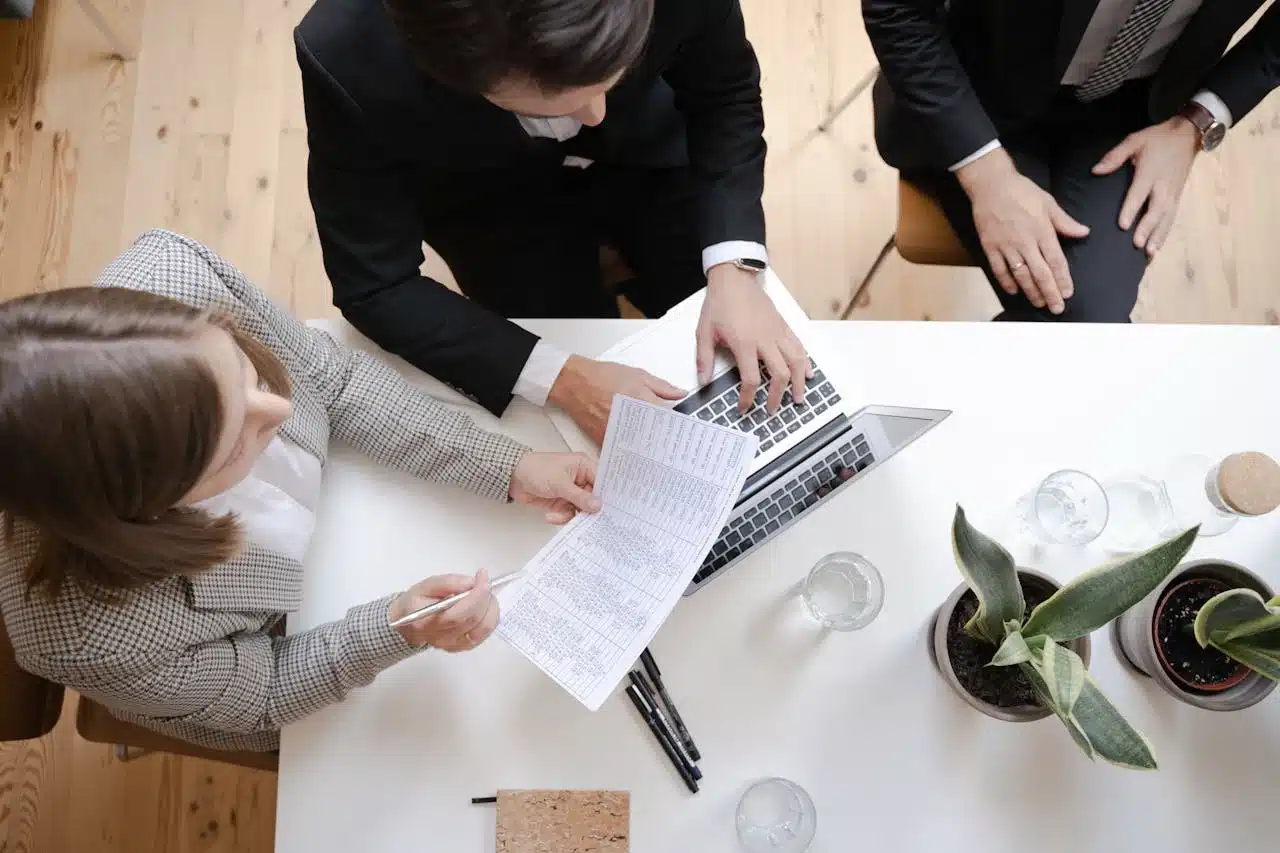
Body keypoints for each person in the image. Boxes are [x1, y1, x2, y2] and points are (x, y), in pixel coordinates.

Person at [0, 229, 600, 753]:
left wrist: (507, 465)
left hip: (363, 519)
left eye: (248, 371)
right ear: (151, 505)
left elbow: (329, 377)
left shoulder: (171, 273)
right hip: (279, 649)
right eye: (237, 440)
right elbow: (263, 692)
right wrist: (396, 626)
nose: (283, 406)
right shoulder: (98, 640)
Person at [295, 0, 811, 444]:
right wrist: (566, 379)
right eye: (557, 99)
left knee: (700, 310)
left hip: (657, 159)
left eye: (607, 77)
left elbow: (725, 93)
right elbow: (375, 285)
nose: (594, 115)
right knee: (563, 324)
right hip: (490, 208)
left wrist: (735, 268)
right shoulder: (346, 54)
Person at [865, 0, 1279, 322]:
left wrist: (1196, 123)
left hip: (1135, 114)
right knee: (1080, 327)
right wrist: (985, 173)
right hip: (974, 94)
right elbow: (896, 9)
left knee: (1088, 317)